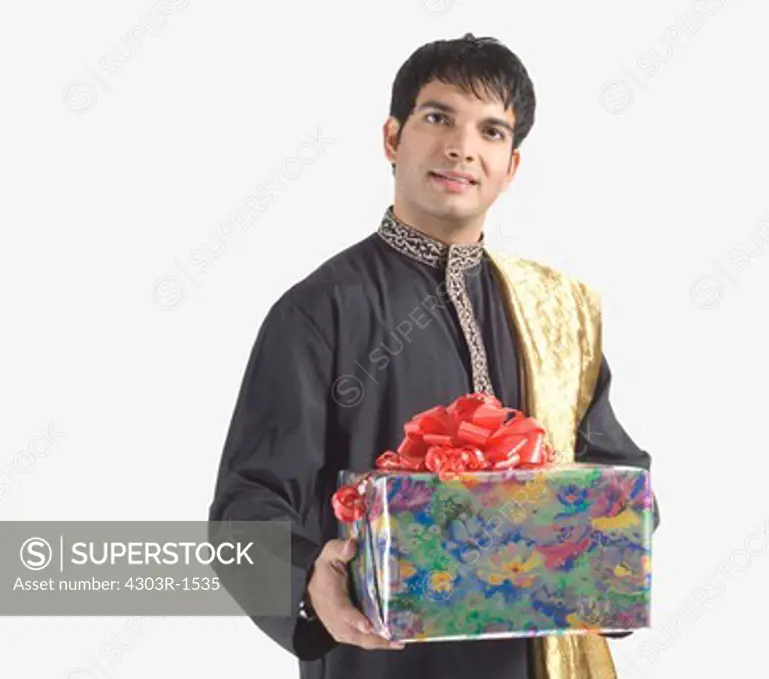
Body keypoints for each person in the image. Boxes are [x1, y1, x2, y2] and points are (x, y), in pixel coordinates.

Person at [208, 33, 657, 679]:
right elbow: (243, 514)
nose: (462, 147)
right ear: (393, 138)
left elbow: (616, 476)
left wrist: (611, 546)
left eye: (492, 131)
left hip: (537, 661)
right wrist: (310, 586)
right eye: (438, 117)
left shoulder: (557, 313)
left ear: (511, 166)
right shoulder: (319, 310)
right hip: (382, 664)